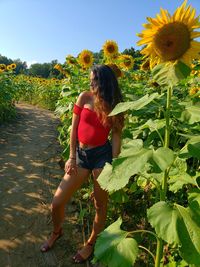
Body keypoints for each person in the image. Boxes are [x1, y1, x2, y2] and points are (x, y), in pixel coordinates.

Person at [40, 64, 124, 263]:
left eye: (93, 79)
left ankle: (90, 243)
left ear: (103, 81)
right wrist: (71, 156)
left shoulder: (115, 105)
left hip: (102, 156)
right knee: (57, 202)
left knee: (100, 204)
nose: (90, 82)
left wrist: (114, 167)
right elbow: (73, 128)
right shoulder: (84, 97)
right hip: (81, 155)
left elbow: (117, 136)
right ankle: (57, 231)